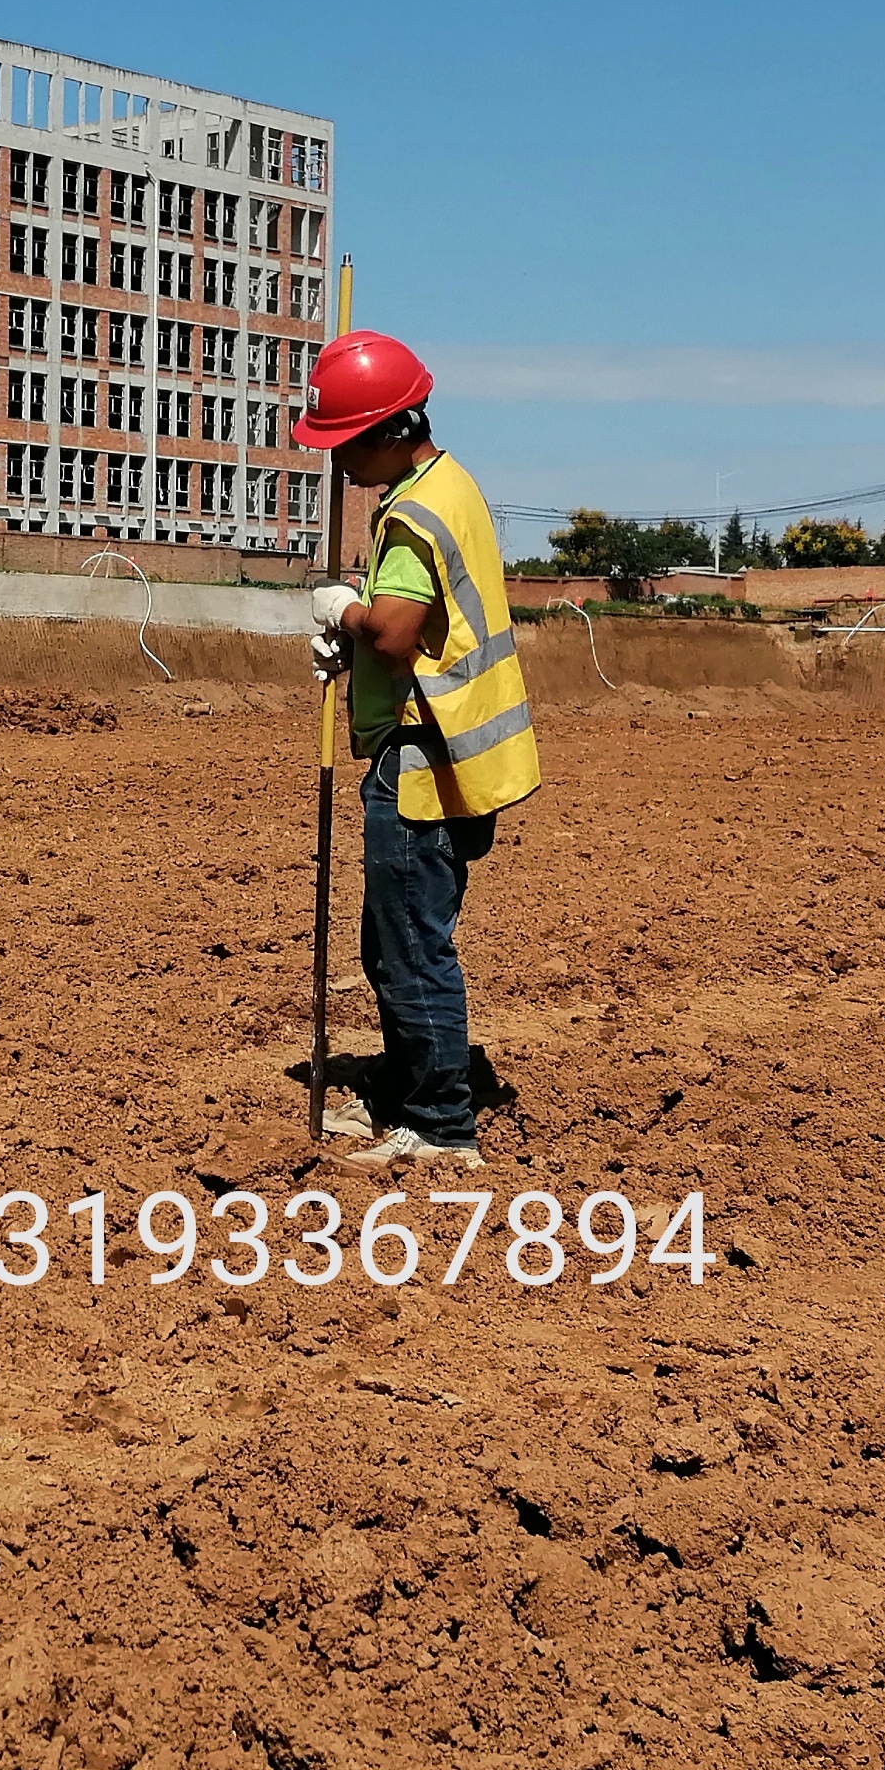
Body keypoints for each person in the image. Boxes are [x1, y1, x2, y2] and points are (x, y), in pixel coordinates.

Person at [296, 330, 539, 1168]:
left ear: (390, 429)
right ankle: (408, 1093)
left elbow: (398, 631)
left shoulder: (410, 516)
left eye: (345, 445)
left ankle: (438, 1125)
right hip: (452, 760)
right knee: (396, 938)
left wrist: (344, 615)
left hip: (420, 761)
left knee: (409, 943)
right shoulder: (453, 486)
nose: (339, 466)